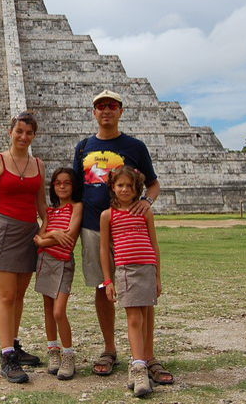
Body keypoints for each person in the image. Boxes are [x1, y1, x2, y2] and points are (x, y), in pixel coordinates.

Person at [72, 89, 173, 385]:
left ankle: (148, 356)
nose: (106, 111)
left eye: (112, 106)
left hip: (130, 228)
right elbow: (77, 190)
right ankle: (109, 349)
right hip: (93, 225)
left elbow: (153, 185)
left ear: (120, 111)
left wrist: (148, 203)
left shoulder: (135, 146)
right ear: (94, 112)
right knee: (104, 287)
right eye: (101, 106)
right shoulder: (82, 147)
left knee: (142, 294)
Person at [0, 111, 48, 384]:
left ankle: (14, 344)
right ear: (11, 132)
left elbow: (41, 204)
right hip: (3, 230)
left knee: (20, 294)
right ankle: (7, 356)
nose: (23, 136)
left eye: (29, 133)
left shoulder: (39, 164)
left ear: (34, 136)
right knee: (6, 295)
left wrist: (46, 230)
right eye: (19, 131)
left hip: (29, 231)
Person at [99, 166, 162, 397]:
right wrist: (107, 280)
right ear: (113, 188)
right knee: (134, 318)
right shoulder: (107, 215)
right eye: (120, 185)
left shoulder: (145, 212)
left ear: (137, 189)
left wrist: (157, 276)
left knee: (144, 317)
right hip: (125, 271)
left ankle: (142, 361)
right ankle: (138, 367)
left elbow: (154, 246)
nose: (125, 189)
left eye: (129, 185)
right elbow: (104, 250)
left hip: (146, 268)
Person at [33, 167, 83, 380]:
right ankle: (53, 350)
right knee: (47, 308)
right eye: (57, 183)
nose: (62, 186)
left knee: (58, 311)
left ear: (73, 186)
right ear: (53, 187)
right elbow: (39, 237)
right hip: (45, 261)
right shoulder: (50, 212)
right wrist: (52, 234)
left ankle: (68, 354)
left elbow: (70, 235)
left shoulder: (77, 207)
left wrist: (45, 239)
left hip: (62, 262)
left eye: (67, 182)